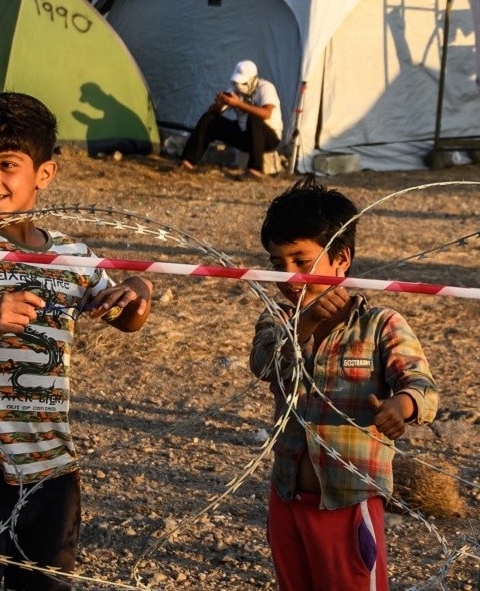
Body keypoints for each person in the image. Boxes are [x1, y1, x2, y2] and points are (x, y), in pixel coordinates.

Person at [0, 92, 153, 591]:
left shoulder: (71, 258)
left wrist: (138, 290)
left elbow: (128, 318)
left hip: (52, 467)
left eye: (7, 165)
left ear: (44, 173)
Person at [249, 177, 438, 591]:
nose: (290, 277)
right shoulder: (278, 320)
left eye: (301, 261)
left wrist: (399, 407)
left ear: (342, 258)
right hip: (287, 500)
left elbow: (422, 385)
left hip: (348, 501)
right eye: (278, 263)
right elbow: (264, 363)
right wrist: (309, 321)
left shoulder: (381, 325)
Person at [179, 60, 284, 179]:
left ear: (253, 80)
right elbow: (214, 111)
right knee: (209, 119)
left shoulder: (265, 87)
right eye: (236, 82)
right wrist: (218, 105)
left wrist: (238, 104)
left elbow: (266, 113)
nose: (239, 86)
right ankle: (187, 162)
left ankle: (254, 171)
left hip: (268, 137)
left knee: (254, 119)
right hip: (244, 134)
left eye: (243, 83)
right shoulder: (234, 90)